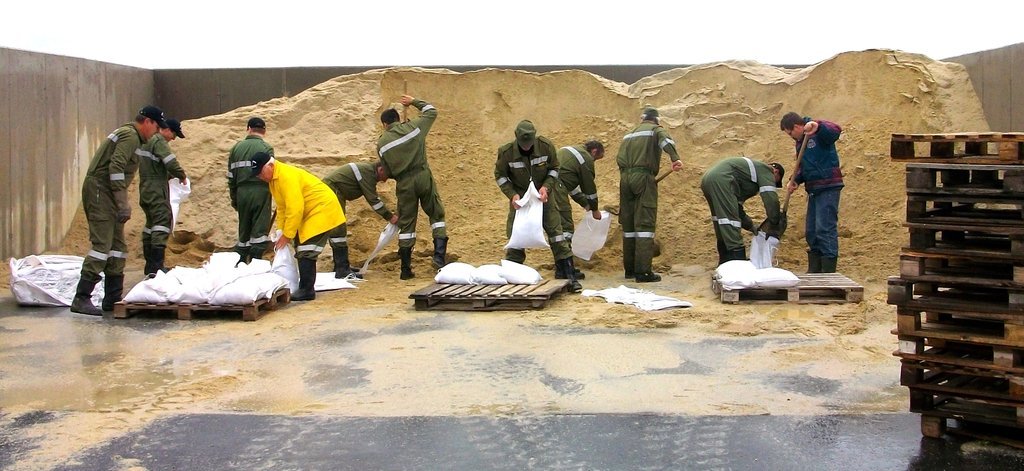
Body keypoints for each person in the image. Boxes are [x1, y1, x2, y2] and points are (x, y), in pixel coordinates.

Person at [71, 105, 166, 316]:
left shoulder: (134, 138)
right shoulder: (130, 136)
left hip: (108, 193)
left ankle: (112, 298)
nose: (157, 132)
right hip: (101, 192)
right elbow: (116, 169)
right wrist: (122, 203)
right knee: (102, 245)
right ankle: (82, 297)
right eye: (156, 127)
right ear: (147, 122)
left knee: (117, 247)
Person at [495, 120, 581, 292]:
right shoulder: (506, 153)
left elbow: (555, 168)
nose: (527, 147)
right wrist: (512, 195)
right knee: (515, 237)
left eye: (529, 143)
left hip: (543, 198)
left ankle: (568, 275)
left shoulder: (545, 146)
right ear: (517, 138)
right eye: (523, 144)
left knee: (557, 235)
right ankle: (513, 277)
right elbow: (500, 176)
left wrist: (546, 187)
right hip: (521, 200)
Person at [251, 152, 346, 301]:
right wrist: (281, 231)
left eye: (260, 173)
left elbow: (295, 209)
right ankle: (304, 287)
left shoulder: (286, 176)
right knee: (302, 246)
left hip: (322, 209)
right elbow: (282, 208)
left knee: (306, 249)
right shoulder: (274, 181)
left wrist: (287, 235)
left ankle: (307, 290)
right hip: (312, 211)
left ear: (270, 166)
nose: (259, 177)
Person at [377, 95, 448, 279]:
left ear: (385, 124)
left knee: (407, 223)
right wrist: (413, 101)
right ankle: (439, 258)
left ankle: (405, 269)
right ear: (398, 119)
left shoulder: (382, 143)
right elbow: (431, 111)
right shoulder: (413, 128)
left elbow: (387, 170)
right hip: (422, 175)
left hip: (404, 183)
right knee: (436, 215)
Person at [615, 106, 683, 282]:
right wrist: (675, 158)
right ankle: (643, 272)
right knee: (645, 223)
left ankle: (630, 270)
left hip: (624, 179)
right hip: (643, 178)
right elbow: (666, 141)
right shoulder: (655, 130)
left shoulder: (629, 134)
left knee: (629, 225)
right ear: (656, 119)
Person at [781, 112, 844, 273]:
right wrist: (795, 180)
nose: (791, 137)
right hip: (814, 188)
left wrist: (818, 125)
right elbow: (804, 167)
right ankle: (815, 269)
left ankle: (828, 271)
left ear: (797, 126)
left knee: (825, 227)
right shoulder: (800, 142)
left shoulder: (817, 132)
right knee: (812, 231)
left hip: (828, 186)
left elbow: (835, 130)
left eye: (790, 133)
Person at [700, 157, 786, 265]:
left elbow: (737, 208)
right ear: (776, 172)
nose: (772, 183)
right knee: (730, 222)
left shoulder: (745, 176)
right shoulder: (767, 170)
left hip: (708, 179)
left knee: (720, 221)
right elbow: (770, 198)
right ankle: (738, 262)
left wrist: (750, 226)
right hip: (722, 179)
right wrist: (775, 221)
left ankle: (725, 262)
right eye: (775, 182)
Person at [322, 160, 397, 278]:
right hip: (331, 192)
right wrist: (390, 217)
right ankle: (342, 269)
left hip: (333, 191)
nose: (385, 180)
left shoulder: (367, 171)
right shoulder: (368, 174)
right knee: (338, 229)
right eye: (386, 176)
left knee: (338, 228)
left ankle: (341, 266)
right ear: (381, 169)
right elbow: (373, 200)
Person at [138, 118, 188, 275]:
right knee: (161, 223)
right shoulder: (159, 141)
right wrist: (181, 175)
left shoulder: (147, 141)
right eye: (174, 134)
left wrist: (167, 175)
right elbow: (170, 162)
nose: (173, 138)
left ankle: (150, 266)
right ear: (166, 129)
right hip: (156, 190)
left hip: (145, 188)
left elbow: (153, 166)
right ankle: (156, 266)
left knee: (150, 225)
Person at [553, 140, 605, 279]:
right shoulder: (585, 159)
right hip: (555, 187)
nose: (594, 162)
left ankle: (562, 268)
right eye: (596, 158)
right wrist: (594, 209)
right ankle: (565, 270)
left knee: (558, 228)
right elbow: (589, 188)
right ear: (594, 151)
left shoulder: (571, 151)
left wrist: (586, 204)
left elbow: (571, 186)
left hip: (551, 185)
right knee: (566, 229)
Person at [227, 117, 274, 265]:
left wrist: (234, 198)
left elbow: (231, 177)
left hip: (241, 192)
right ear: (264, 131)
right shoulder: (267, 148)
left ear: (248, 129)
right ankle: (255, 261)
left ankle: (241, 260)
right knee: (259, 229)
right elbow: (271, 173)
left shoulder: (236, 148)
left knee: (244, 229)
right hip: (261, 191)